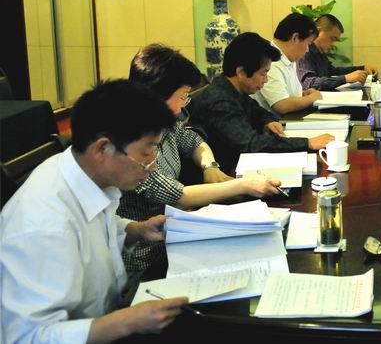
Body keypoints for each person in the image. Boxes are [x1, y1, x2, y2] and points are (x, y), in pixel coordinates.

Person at [1, 80, 189, 343]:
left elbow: (95, 228)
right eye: (146, 152)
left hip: (110, 310)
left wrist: (136, 229)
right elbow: (28, 336)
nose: (152, 165)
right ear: (102, 149)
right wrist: (128, 321)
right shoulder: (44, 226)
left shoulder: (83, 172)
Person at [119, 44, 283, 272]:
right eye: (182, 96)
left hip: (174, 235)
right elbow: (179, 196)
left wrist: (210, 166)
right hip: (147, 258)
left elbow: (191, 140)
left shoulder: (164, 122)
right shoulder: (131, 140)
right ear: (156, 96)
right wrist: (245, 185)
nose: (184, 104)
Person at [191, 32, 334, 174]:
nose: (266, 80)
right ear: (241, 72)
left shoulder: (233, 88)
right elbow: (251, 144)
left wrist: (267, 121)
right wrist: (308, 143)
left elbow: (257, 111)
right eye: (263, 73)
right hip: (226, 172)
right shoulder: (220, 101)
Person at [253, 13, 323, 114]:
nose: (307, 50)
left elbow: (286, 93)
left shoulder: (289, 57)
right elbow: (281, 105)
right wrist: (312, 98)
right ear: (295, 38)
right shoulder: (270, 61)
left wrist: (303, 94)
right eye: (308, 43)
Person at [297, 14, 377, 91]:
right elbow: (309, 83)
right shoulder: (304, 51)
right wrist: (345, 79)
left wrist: (362, 68)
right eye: (332, 38)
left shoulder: (320, 52)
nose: (333, 44)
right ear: (318, 31)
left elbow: (332, 71)